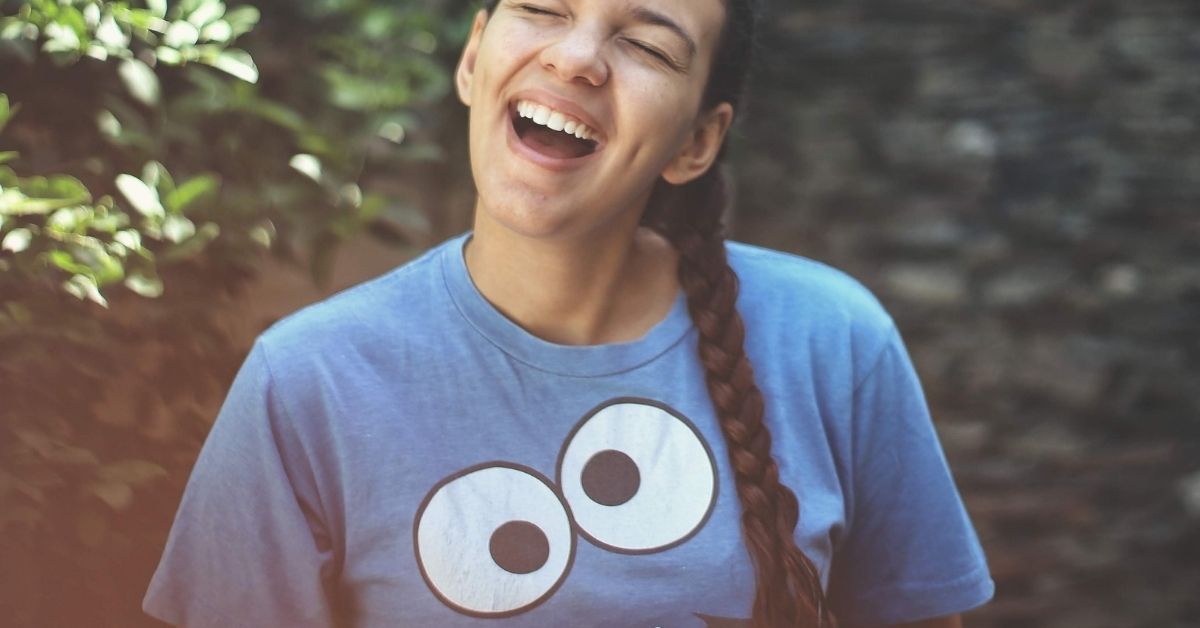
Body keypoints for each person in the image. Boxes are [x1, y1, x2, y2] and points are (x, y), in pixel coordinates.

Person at [143, 0, 994, 626]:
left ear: (697, 141)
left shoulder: (832, 340)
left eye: (647, 45)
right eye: (544, 9)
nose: (579, 59)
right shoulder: (306, 384)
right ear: (475, 56)